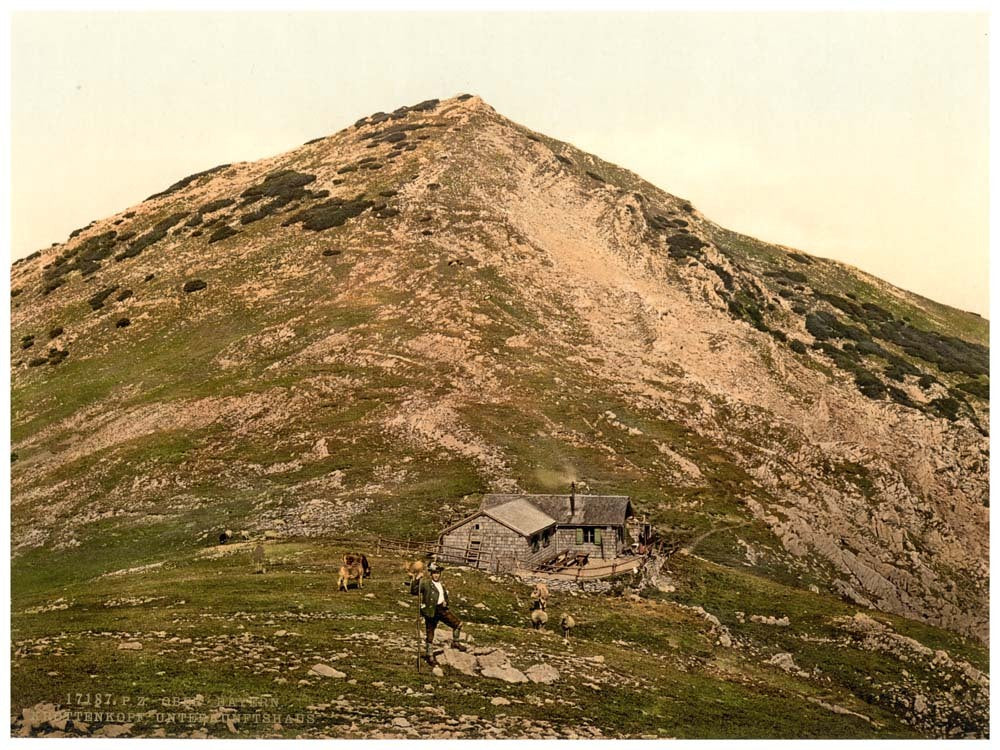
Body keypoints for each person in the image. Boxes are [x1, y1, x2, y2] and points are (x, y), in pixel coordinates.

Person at [418, 562, 464, 665]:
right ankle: (430, 656)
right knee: (430, 633)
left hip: (441, 610)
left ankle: (455, 642)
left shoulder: (441, 586)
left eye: (438, 573)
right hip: (431, 611)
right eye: (434, 573)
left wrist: (445, 603)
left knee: (458, 624)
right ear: (431, 574)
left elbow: (446, 599)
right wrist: (416, 579)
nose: (436, 575)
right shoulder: (426, 584)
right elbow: (414, 590)